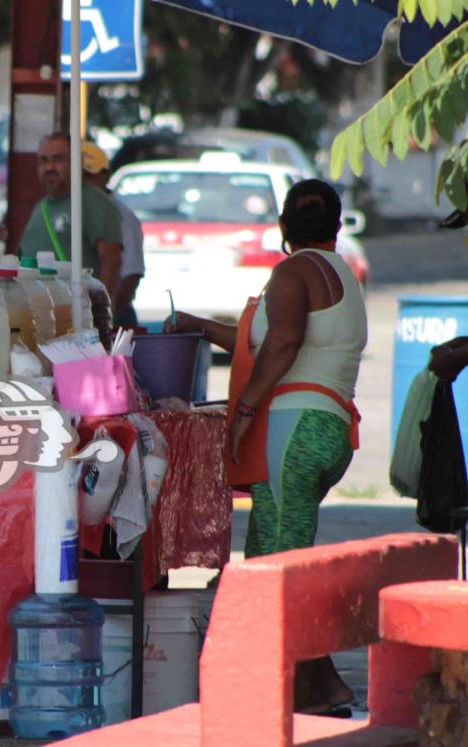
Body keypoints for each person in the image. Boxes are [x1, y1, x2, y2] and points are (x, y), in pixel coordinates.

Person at [165, 178, 367, 715]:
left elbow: (281, 342)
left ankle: (307, 687)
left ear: (282, 226)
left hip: (293, 430)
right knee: (275, 557)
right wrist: (194, 326)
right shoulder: (340, 273)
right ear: (338, 225)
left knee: (275, 564)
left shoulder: (291, 272)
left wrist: (247, 408)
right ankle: (309, 686)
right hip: (325, 429)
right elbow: (263, 337)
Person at [18, 132, 124, 318]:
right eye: (43, 160)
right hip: (39, 317)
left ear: (77, 162)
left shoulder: (92, 201)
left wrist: (96, 314)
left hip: (77, 320)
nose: (49, 167)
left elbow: (111, 260)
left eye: (57, 159)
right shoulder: (40, 208)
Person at [82, 142, 144, 329]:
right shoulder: (73, 210)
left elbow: (131, 275)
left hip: (112, 317)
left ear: (105, 176)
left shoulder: (122, 216)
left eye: (90, 176)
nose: (85, 183)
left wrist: (107, 316)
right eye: (79, 177)